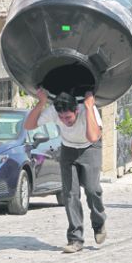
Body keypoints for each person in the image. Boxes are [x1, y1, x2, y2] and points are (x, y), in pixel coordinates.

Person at [24, 89, 106, 254]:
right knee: (70, 194)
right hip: (68, 148)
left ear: (76, 110)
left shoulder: (87, 109)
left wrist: (89, 107)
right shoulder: (55, 111)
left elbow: (93, 137)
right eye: (61, 118)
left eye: (68, 117)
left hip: (90, 147)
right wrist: (41, 102)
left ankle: (99, 223)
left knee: (92, 189)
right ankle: (75, 239)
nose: (64, 121)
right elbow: (28, 125)